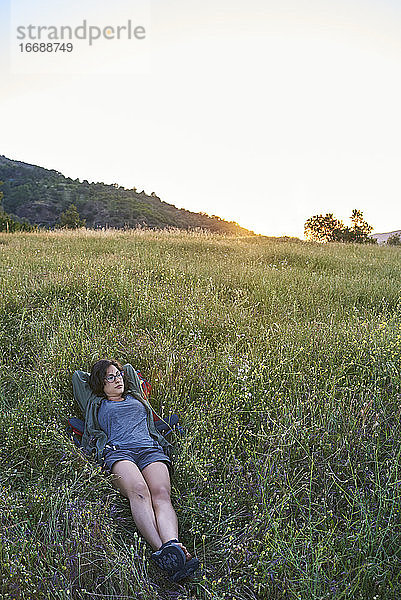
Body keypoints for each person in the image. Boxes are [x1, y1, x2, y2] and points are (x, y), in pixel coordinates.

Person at [72, 359, 199, 582]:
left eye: (119, 375)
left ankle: (172, 546)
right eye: (109, 377)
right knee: (140, 491)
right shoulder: (96, 403)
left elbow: (129, 370)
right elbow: (77, 377)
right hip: (119, 452)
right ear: (100, 384)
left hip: (149, 448)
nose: (117, 379)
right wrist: (101, 375)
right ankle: (163, 551)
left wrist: (119, 372)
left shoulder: (136, 396)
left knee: (161, 494)